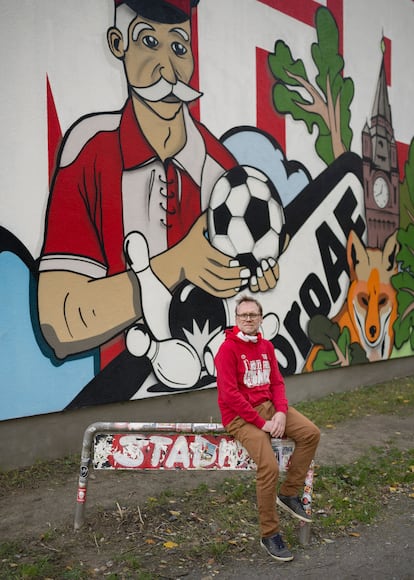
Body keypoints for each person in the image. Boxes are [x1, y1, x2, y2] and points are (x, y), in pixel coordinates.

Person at [38, 0, 281, 370]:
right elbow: (59, 322)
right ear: (118, 44)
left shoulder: (223, 173)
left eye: (179, 47)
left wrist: (256, 273)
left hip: (213, 388)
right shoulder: (90, 150)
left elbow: (237, 285)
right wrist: (177, 265)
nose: (167, 68)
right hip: (117, 393)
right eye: (149, 42)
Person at [214, 295, 320, 562]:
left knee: (310, 434)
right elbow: (229, 395)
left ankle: (289, 493)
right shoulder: (227, 350)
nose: (248, 319)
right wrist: (262, 423)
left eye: (253, 314)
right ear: (236, 320)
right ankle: (269, 533)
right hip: (239, 416)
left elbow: (277, 383)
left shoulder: (266, 347)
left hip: (270, 408)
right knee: (269, 467)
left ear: (260, 318)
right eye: (243, 315)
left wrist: (281, 412)